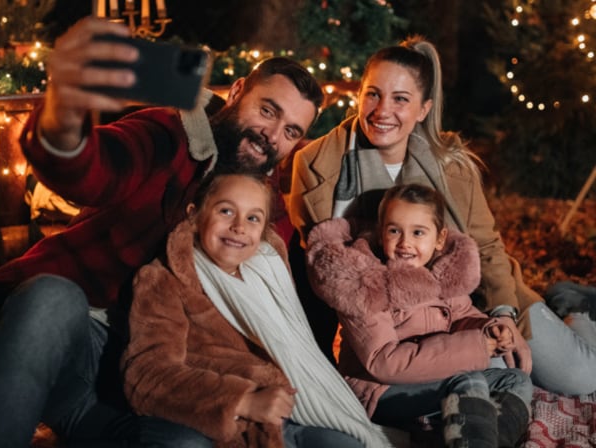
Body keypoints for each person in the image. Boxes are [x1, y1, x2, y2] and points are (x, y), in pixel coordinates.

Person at [0, 16, 324, 448]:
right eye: (267, 110)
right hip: (83, 340)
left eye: (291, 131)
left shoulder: (269, 212)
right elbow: (92, 166)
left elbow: (280, 316)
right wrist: (65, 108)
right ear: (238, 90)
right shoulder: (170, 133)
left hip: (154, 391)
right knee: (52, 295)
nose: (271, 136)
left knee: (191, 441)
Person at [285, 34, 596, 396]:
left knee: (581, 378)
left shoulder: (451, 164)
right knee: (492, 375)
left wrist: (503, 316)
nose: (382, 111)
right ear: (359, 94)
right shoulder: (316, 165)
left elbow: (487, 246)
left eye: (401, 99)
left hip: (474, 303)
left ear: (423, 109)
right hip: (395, 323)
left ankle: (575, 307)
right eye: (373, 94)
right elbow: (326, 267)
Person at [121, 168, 400, 448]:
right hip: (231, 423)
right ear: (195, 215)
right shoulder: (164, 279)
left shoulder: (269, 269)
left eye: (253, 218)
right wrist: (242, 401)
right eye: (226, 212)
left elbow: (294, 347)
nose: (239, 227)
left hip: (294, 408)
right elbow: (146, 375)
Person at [306, 184, 532, 447]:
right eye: (394, 231)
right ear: (381, 233)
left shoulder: (440, 273)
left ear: (439, 238)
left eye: (418, 233)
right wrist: (477, 347)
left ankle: (489, 442)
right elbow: (384, 362)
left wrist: (488, 329)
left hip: (437, 376)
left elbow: (461, 315)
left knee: (515, 380)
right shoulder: (365, 284)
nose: (405, 243)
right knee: (468, 380)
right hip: (380, 392)